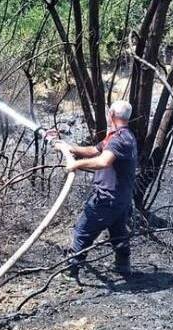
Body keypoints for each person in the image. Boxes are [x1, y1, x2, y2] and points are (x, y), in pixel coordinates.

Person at [47, 100, 138, 279]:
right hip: (121, 198)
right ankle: (123, 267)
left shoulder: (118, 139)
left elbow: (103, 161)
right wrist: (68, 147)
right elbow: (94, 150)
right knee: (119, 233)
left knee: (82, 231)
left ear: (111, 115)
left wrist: (76, 164)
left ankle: (71, 271)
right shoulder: (124, 136)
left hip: (106, 198)